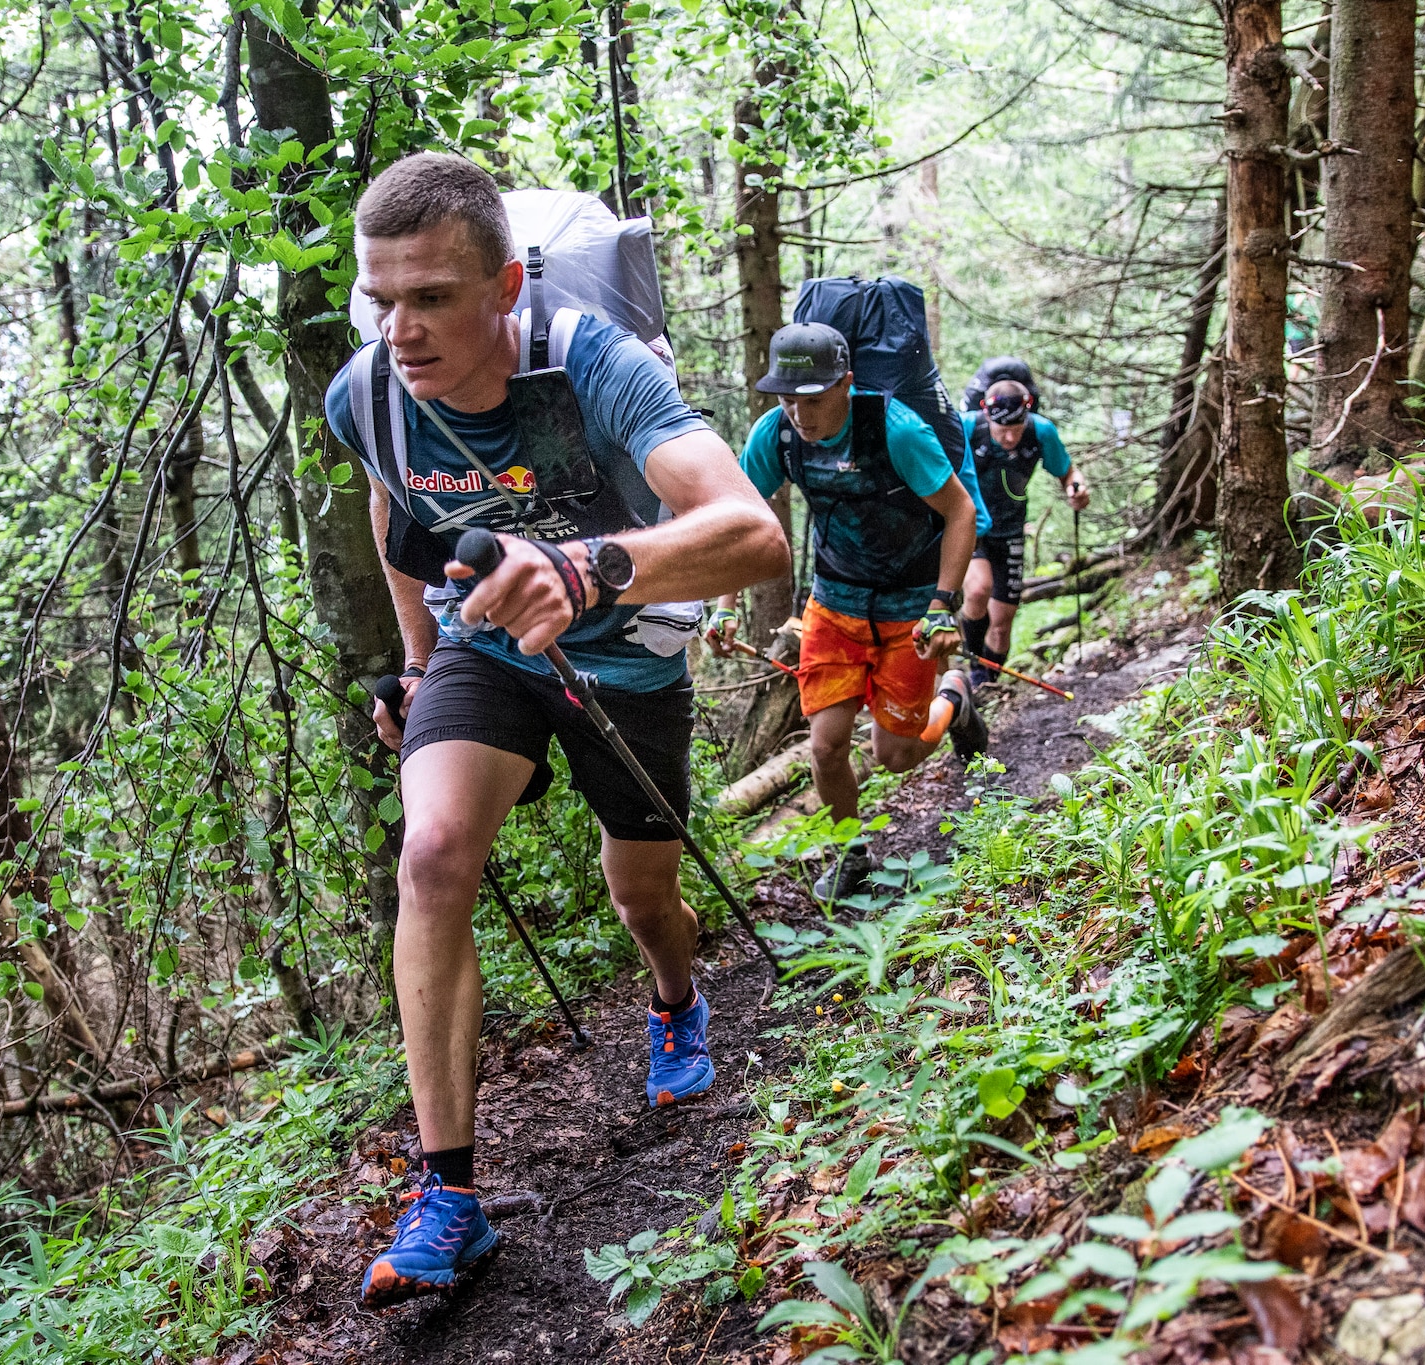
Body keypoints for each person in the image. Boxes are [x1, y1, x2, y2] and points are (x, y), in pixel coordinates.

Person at [327, 153, 788, 1307]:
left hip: (626, 651)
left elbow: (752, 533)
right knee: (430, 857)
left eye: (431, 297)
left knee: (642, 897)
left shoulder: (592, 363)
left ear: (506, 286)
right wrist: (419, 664)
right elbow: (399, 505)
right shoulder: (367, 393)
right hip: (483, 650)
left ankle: (675, 1004)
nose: (402, 331)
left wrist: (582, 569)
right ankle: (449, 1198)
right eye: (383, 300)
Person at [706, 322, 985, 904]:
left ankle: (954, 700)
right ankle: (852, 853)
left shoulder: (896, 431)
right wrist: (723, 605)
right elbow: (736, 516)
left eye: (812, 399)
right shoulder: (775, 437)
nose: (800, 415)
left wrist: (942, 606)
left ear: (847, 384)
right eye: (787, 400)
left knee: (897, 755)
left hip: (911, 607)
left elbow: (960, 513)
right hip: (835, 604)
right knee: (826, 744)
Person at [958, 377, 1088, 684]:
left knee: (1002, 622)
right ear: (986, 416)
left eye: (1015, 429)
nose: (1008, 437)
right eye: (1001, 429)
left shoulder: (1040, 431)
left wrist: (1076, 489)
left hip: (1012, 527)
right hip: (971, 525)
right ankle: (974, 667)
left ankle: (990, 679)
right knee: (978, 589)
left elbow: (1067, 471)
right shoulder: (965, 427)